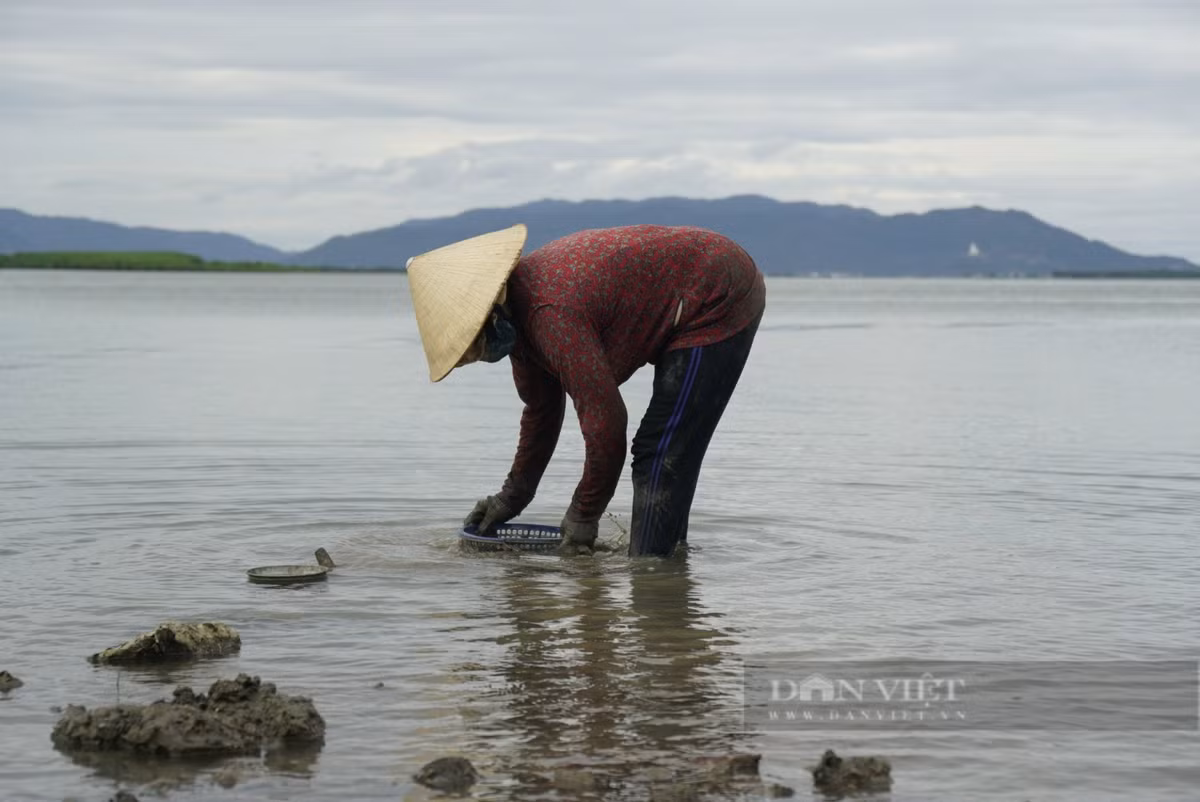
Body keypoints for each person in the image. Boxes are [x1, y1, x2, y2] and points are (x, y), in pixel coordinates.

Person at [406, 223, 765, 557]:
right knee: (664, 453)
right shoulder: (521, 324)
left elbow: (606, 421)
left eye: (479, 343)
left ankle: (652, 574)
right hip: (693, 283)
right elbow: (541, 413)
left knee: (661, 451)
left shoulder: (549, 313)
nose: (484, 355)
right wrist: (511, 497)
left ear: (492, 312)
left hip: (717, 289)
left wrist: (583, 514)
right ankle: (668, 579)